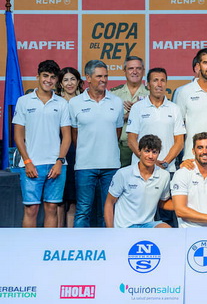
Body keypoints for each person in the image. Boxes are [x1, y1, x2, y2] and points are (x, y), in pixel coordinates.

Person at [13, 60, 71, 228]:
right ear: (37, 76)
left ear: (57, 80)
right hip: (31, 164)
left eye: (53, 77)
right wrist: (27, 161)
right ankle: (28, 245)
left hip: (56, 165)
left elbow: (67, 137)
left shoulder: (62, 103)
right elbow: (18, 136)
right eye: (45, 76)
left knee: (52, 208)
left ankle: (48, 244)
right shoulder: (24, 101)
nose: (48, 80)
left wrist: (59, 161)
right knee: (31, 209)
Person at [69, 60, 124, 227]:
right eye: (99, 76)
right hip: (85, 166)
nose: (104, 80)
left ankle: (107, 243)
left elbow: (117, 132)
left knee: (107, 210)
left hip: (111, 166)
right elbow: (75, 135)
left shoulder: (116, 102)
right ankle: (80, 242)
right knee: (83, 210)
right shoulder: (75, 103)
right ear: (88, 78)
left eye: (106, 76)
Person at [104, 134, 173, 228]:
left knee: (166, 229)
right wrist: (111, 231)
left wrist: (185, 207)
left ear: (158, 154)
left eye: (154, 152)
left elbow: (163, 202)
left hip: (147, 225)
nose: (150, 156)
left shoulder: (164, 175)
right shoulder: (123, 173)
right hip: (124, 227)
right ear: (139, 151)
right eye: (147, 151)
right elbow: (109, 203)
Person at [126, 67, 185, 172]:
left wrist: (165, 162)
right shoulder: (137, 108)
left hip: (167, 169)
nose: (159, 84)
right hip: (141, 170)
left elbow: (179, 142)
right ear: (148, 85)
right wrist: (149, 161)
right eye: (155, 80)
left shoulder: (175, 109)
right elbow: (131, 140)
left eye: (162, 80)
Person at [56, 66, 83, 227]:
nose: (69, 83)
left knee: (73, 201)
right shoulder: (55, 102)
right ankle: (58, 235)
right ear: (60, 83)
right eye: (65, 80)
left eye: (73, 79)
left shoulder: (84, 101)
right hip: (58, 152)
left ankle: (72, 236)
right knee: (58, 201)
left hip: (79, 153)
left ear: (78, 82)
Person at [110, 56, 148, 168]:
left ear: (143, 71)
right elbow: (106, 121)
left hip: (144, 147)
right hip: (120, 147)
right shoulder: (113, 94)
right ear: (124, 71)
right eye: (131, 68)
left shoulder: (150, 94)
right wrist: (126, 116)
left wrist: (138, 112)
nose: (135, 72)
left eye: (138, 68)